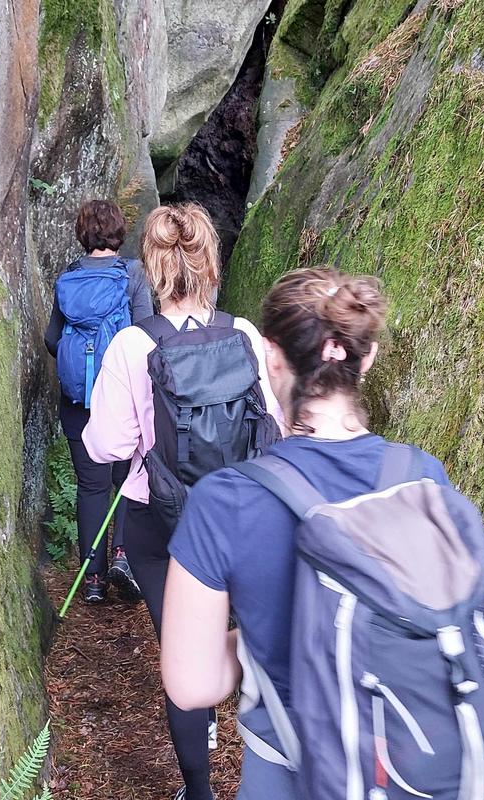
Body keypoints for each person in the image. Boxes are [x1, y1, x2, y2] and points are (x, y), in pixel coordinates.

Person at [160, 268, 453, 799]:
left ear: (271, 358)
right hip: (411, 766)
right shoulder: (424, 478)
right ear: (367, 358)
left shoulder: (226, 501)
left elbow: (192, 683)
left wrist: (264, 631)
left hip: (289, 775)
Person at [82, 203, 283, 800]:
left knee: (180, 653)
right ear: (209, 262)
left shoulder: (131, 346)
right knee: (245, 633)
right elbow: (269, 421)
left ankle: (199, 790)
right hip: (239, 516)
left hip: (160, 520)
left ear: (153, 268)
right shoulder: (242, 334)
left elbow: (106, 445)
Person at [44, 199, 153, 603]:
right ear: (119, 233)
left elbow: (51, 340)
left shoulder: (68, 278)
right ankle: (124, 557)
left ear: (83, 233)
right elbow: (144, 336)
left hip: (77, 405)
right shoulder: (132, 275)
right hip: (121, 400)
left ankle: (93, 581)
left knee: (91, 488)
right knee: (126, 482)